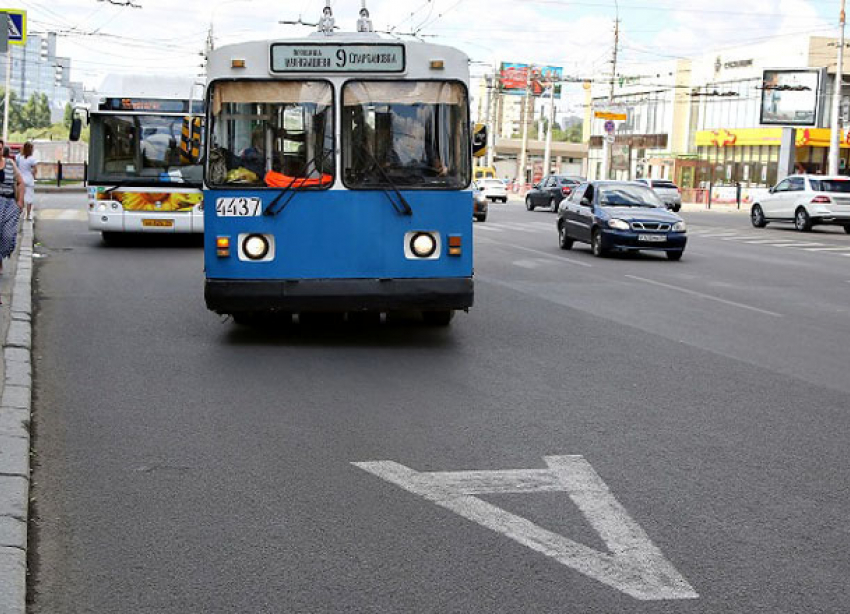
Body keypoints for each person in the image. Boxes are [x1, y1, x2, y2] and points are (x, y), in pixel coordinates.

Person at [0, 141, 24, 279]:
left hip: (9, 203)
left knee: (8, 236)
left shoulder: (10, 164)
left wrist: (20, 201)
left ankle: (1, 256)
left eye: (0, 148)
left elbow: (20, 182)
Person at [16, 142, 37, 220]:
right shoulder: (32, 159)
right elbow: (35, 170)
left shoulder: (20, 158)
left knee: (20, 197)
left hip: (21, 179)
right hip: (29, 180)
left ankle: (20, 213)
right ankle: (28, 215)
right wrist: (33, 175)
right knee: (29, 198)